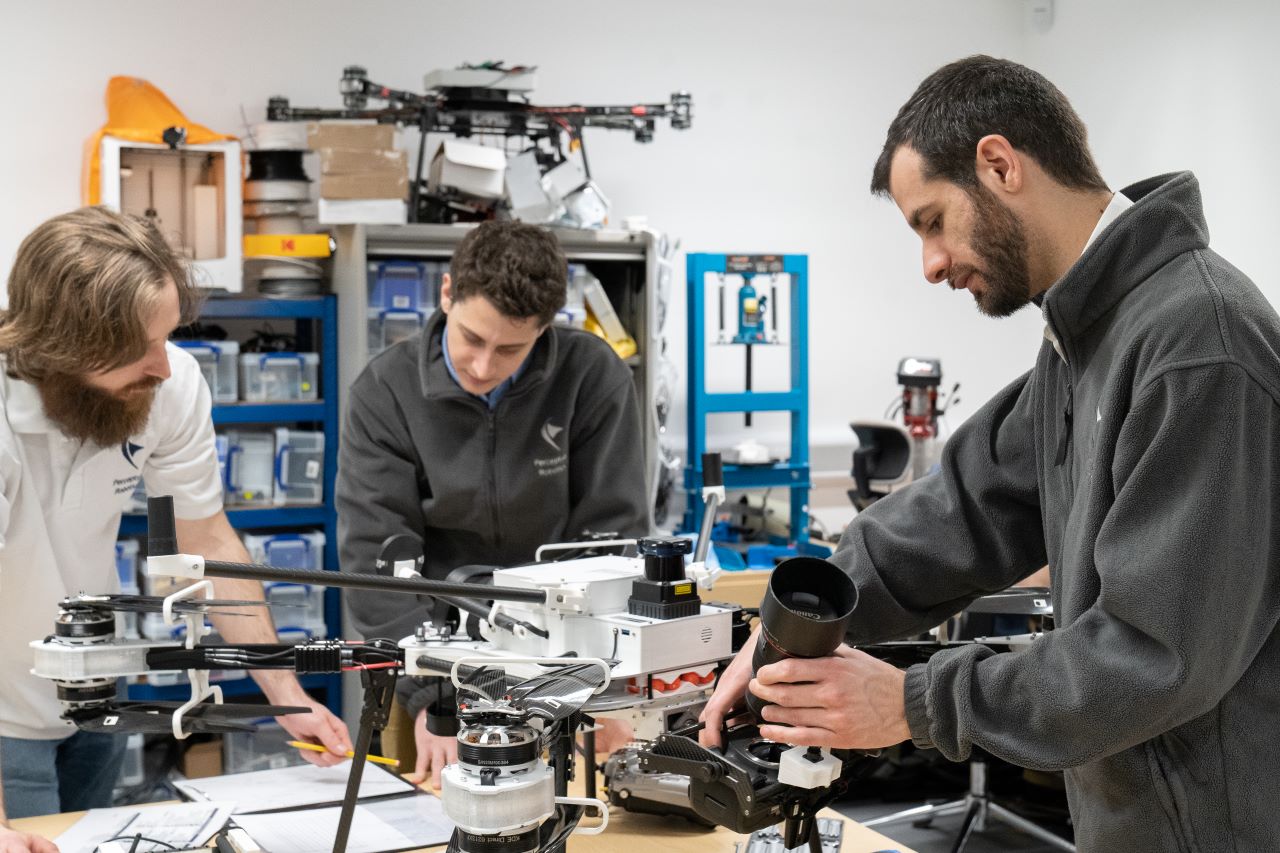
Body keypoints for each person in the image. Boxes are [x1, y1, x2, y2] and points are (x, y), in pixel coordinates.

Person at [700, 55, 1280, 851]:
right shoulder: (1087, 339)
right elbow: (959, 509)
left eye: (931, 221)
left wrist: (915, 701)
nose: (931, 264)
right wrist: (789, 630)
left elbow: (1152, 654)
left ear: (1000, 164)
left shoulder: (1197, 344)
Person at [0, 207, 352, 849]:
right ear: (64, 350)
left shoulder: (167, 385)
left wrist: (283, 692)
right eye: (140, 349)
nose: (165, 365)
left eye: (167, 336)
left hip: (95, 699)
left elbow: (206, 541)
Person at [338, 220, 649, 788]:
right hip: (432, 668)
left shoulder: (592, 377)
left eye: (510, 348)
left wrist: (590, 684)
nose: (483, 367)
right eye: (472, 339)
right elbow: (375, 564)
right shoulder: (384, 393)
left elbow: (612, 539)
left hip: (566, 663)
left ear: (546, 327)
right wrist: (439, 698)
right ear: (447, 293)